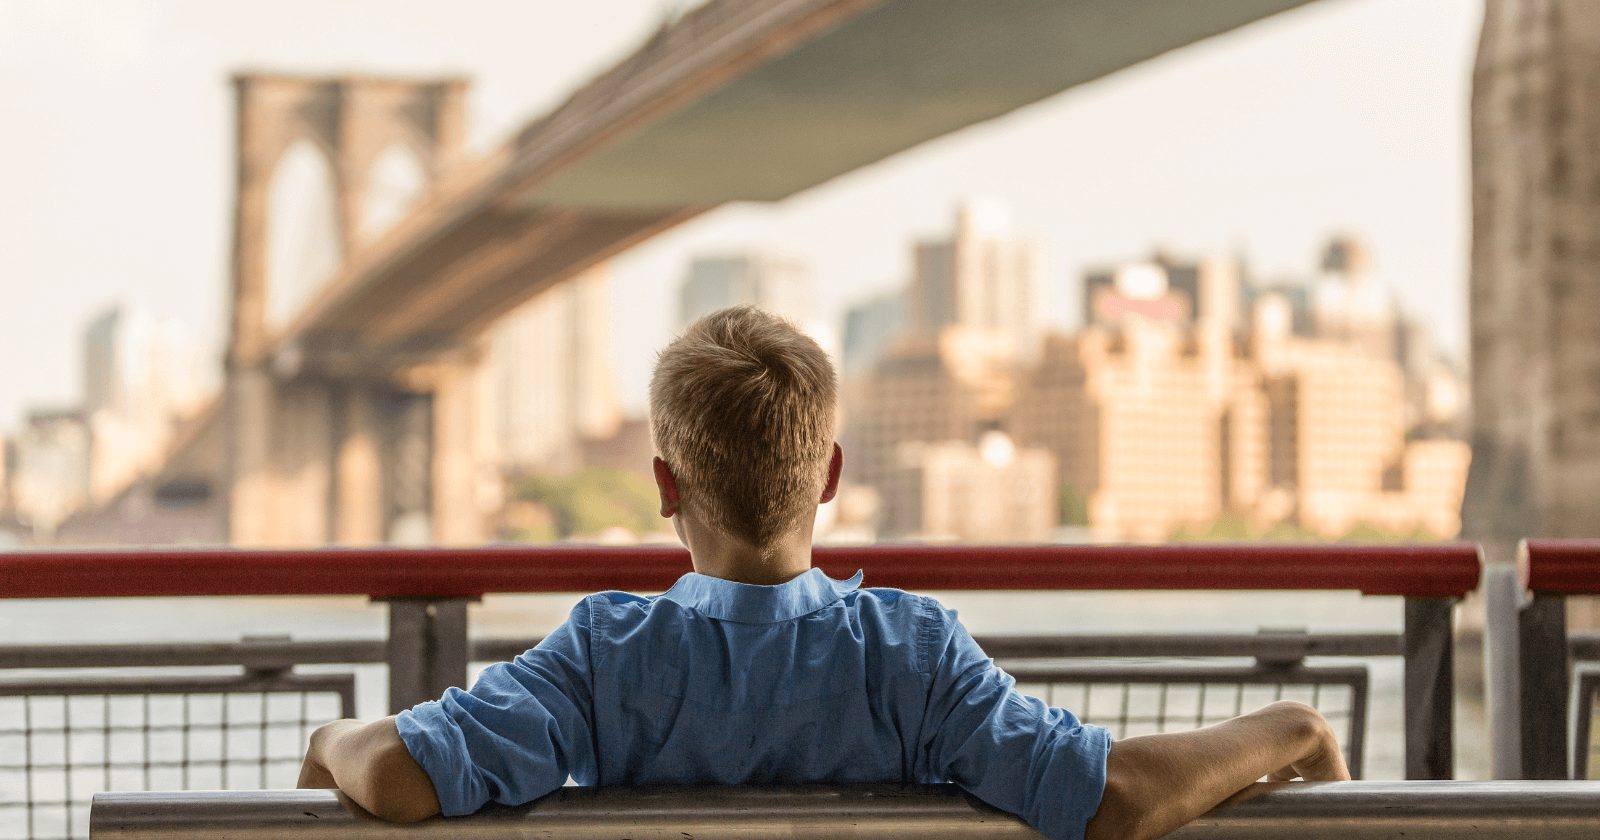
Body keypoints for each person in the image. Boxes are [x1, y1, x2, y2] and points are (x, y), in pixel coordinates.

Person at [298, 306, 1349, 840]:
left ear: (665, 485)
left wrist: (325, 736)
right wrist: (1291, 728)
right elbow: (1114, 798)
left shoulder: (605, 657)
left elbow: (397, 777)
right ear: (831, 474)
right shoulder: (912, 654)